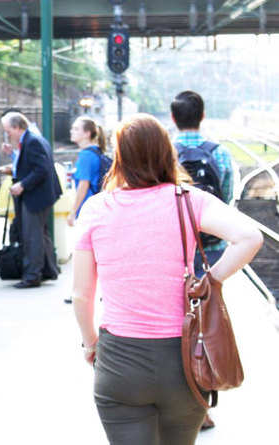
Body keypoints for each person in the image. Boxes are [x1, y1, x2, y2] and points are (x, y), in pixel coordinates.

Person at [72, 114, 262, 445]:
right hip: (184, 362)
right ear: (166, 153)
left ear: (120, 157)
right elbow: (249, 237)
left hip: (120, 361)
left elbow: (81, 295)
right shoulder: (188, 199)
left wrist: (90, 344)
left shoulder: (96, 209)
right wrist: (209, 281)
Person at [170, 91, 234, 431]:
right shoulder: (219, 152)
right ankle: (203, 404)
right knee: (205, 327)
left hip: (175, 251)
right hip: (212, 252)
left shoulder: (165, 152)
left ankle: (187, 403)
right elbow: (228, 201)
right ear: (203, 115)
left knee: (178, 326)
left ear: (173, 116)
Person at [1, 112, 62, 288]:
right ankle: (48, 269)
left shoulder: (32, 141)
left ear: (17, 127)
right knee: (40, 235)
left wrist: (22, 185)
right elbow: (33, 164)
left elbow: (41, 169)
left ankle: (32, 275)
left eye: (8, 130)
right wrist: (12, 155)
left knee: (32, 236)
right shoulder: (32, 139)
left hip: (35, 196)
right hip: (40, 195)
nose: (8, 135)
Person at [67, 116, 107, 227]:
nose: (72, 131)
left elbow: (83, 185)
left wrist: (73, 212)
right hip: (97, 206)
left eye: (76, 129)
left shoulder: (86, 155)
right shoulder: (96, 151)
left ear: (87, 134)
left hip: (87, 208)